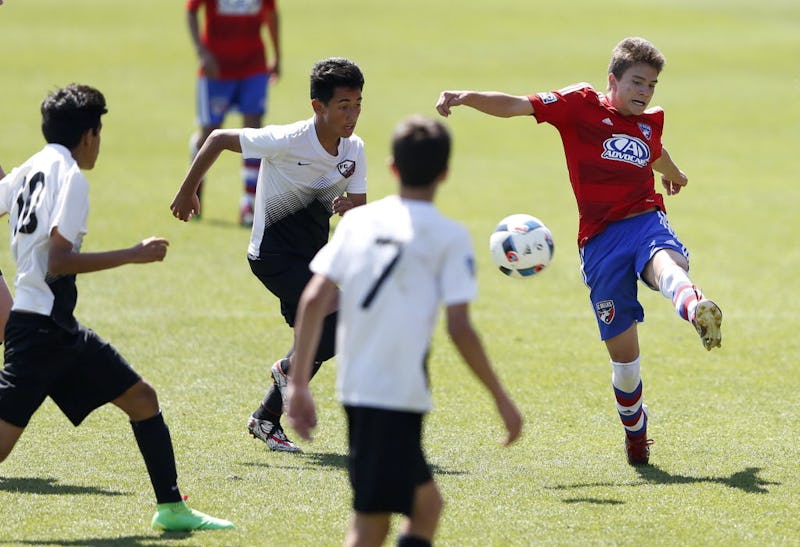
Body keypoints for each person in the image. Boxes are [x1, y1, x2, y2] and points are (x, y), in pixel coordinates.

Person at [435, 36, 723, 466]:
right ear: (614, 80)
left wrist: (675, 174)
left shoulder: (650, 121)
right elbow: (516, 104)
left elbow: (654, 151)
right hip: (599, 241)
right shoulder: (579, 104)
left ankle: (695, 305)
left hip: (644, 220)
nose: (644, 93)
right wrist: (465, 97)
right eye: (637, 83)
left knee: (666, 265)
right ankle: (636, 434)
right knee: (625, 363)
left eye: (652, 86)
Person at [0, 84, 234, 531]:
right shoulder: (71, 178)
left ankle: (171, 509)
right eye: (100, 132)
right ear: (89, 134)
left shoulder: (29, 167)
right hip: (41, 331)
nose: (100, 143)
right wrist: (133, 253)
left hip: (54, 327)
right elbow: (58, 261)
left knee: (142, 398)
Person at [287, 115, 523, 547]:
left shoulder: (358, 223)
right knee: (370, 525)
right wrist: (501, 397)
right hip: (393, 392)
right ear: (446, 173)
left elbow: (313, 298)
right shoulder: (448, 236)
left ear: (393, 167)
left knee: (424, 507)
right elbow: (460, 328)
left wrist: (299, 382)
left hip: (363, 387)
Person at [171, 57, 367, 453]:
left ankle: (266, 419)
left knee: (316, 341)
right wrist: (188, 189)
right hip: (273, 256)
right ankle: (284, 372)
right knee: (339, 320)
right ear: (318, 106)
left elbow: (359, 205)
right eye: (344, 105)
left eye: (358, 104)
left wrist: (350, 208)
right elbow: (217, 140)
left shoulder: (354, 150)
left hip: (315, 260)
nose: (352, 115)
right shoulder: (287, 139)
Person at [186, 0, 281, 226]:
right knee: (209, 133)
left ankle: (248, 204)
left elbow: (272, 14)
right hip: (216, 68)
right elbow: (190, 11)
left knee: (254, 130)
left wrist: (277, 54)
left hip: (254, 65)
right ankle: (193, 190)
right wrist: (202, 52)